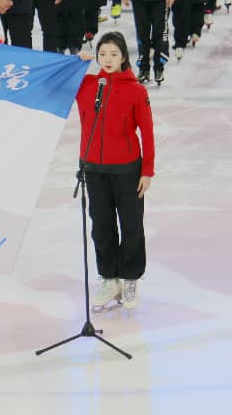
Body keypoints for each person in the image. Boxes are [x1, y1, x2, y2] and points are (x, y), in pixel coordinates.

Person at [75, 31, 155, 312]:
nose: (107, 60)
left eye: (113, 54)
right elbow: (54, 80)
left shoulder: (136, 90)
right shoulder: (86, 85)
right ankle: (109, 278)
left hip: (127, 170)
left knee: (131, 225)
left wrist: (147, 170)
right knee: (101, 226)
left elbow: (147, 131)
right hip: (94, 169)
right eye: (102, 54)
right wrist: (77, 63)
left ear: (123, 58)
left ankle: (130, 277)